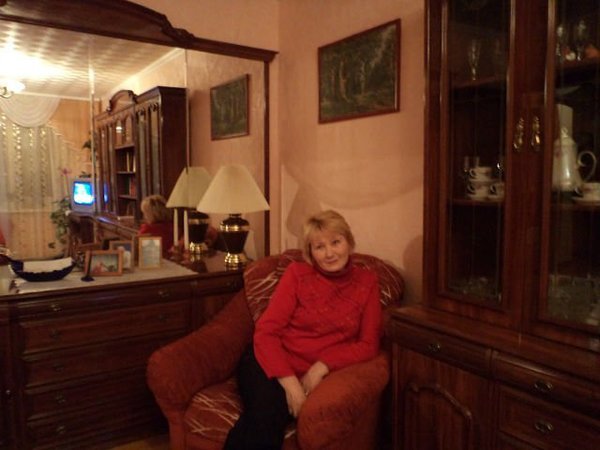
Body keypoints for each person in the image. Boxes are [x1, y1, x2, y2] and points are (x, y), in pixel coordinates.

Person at [224, 210, 382, 450]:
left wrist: (322, 366)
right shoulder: (297, 274)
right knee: (267, 413)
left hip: (311, 370)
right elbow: (266, 333)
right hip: (266, 360)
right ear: (310, 253)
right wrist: (292, 385)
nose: (329, 253)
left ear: (349, 242)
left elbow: (369, 345)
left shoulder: (367, 282)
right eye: (319, 247)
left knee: (258, 420)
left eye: (336, 242)